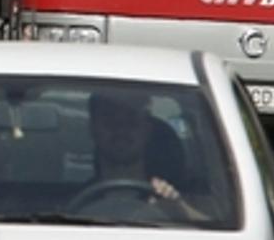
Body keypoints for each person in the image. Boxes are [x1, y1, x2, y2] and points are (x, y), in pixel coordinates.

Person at [86, 90, 209, 221]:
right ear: (92, 128)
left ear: (147, 129)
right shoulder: (64, 203)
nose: (121, 130)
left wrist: (177, 209)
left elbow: (218, 235)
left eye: (131, 121)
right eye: (109, 121)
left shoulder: (189, 198)